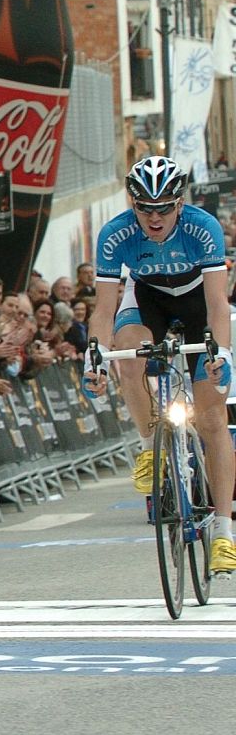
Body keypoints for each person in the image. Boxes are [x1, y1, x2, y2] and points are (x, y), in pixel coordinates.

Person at [84, 156, 236, 573]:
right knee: (128, 354)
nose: (154, 218)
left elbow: (218, 305)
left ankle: (224, 531)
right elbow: (103, 309)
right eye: (144, 208)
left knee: (212, 421)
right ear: (132, 204)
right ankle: (150, 445)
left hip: (197, 305)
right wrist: (92, 356)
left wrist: (219, 353)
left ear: (180, 203)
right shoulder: (115, 234)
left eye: (164, 208)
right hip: (146, 297)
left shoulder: (202, 228)